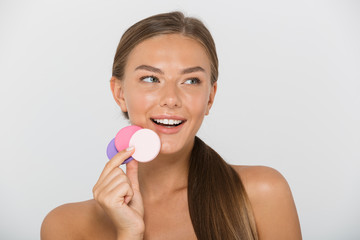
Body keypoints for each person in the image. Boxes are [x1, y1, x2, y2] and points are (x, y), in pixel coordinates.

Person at [41, 11, 302, 240]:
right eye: (151, 78)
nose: (171, 99)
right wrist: (129, 234)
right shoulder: (65, 225)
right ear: (120, 93)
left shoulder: (263, 194)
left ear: (210, 97)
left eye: (190, 81)